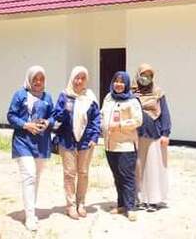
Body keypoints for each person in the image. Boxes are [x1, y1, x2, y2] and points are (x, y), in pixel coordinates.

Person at [7, 65, 55, 231]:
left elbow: (53, 116)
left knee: (37, 177)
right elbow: (11, 116)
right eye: (35, 78)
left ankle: (31, 209)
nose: (38, 82)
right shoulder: (20, 95)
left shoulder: (47, 97)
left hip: (42, 143)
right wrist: (26, 125)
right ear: (29, 79)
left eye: (41, 79)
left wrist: (48, 122)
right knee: (29, 175)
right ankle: (29, 216)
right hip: (23, 141)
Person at [52, 66, 101, 219]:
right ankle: (70, 205)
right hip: (67, 140)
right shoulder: (64, 95)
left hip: (86, 141)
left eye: (82, 78)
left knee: (84, 173)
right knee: (69, 174)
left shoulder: (90, 96)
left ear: (86, 80)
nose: (79, 81)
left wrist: (94, 137)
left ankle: (81, 203)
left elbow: (96, 119)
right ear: (72, 78)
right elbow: (56, 117)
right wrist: (64, 111)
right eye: (76, 78)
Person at [100, 71, 143, 221]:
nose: (118, 84)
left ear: (126, 84)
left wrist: (119, 125)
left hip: (126, 145)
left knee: (127, 177)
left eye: (122, 82)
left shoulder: (132, 101)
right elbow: (102, 115)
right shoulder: (108, 98)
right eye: (116, 81)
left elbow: (138, 120)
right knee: (117, 177)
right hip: (110, 145)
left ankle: (131, 207)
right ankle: (121, 205)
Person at [133, 63, 171, 212]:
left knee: (154, 167)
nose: (145, 78)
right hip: (136, 135)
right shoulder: (132, 92)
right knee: (138, 167)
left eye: (149, 75)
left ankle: (154, 200)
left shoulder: (158, 92)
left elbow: (165, 114)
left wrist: (165, 134)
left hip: (154, 134)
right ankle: (140, 199)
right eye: (143, 74)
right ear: (138, 75)